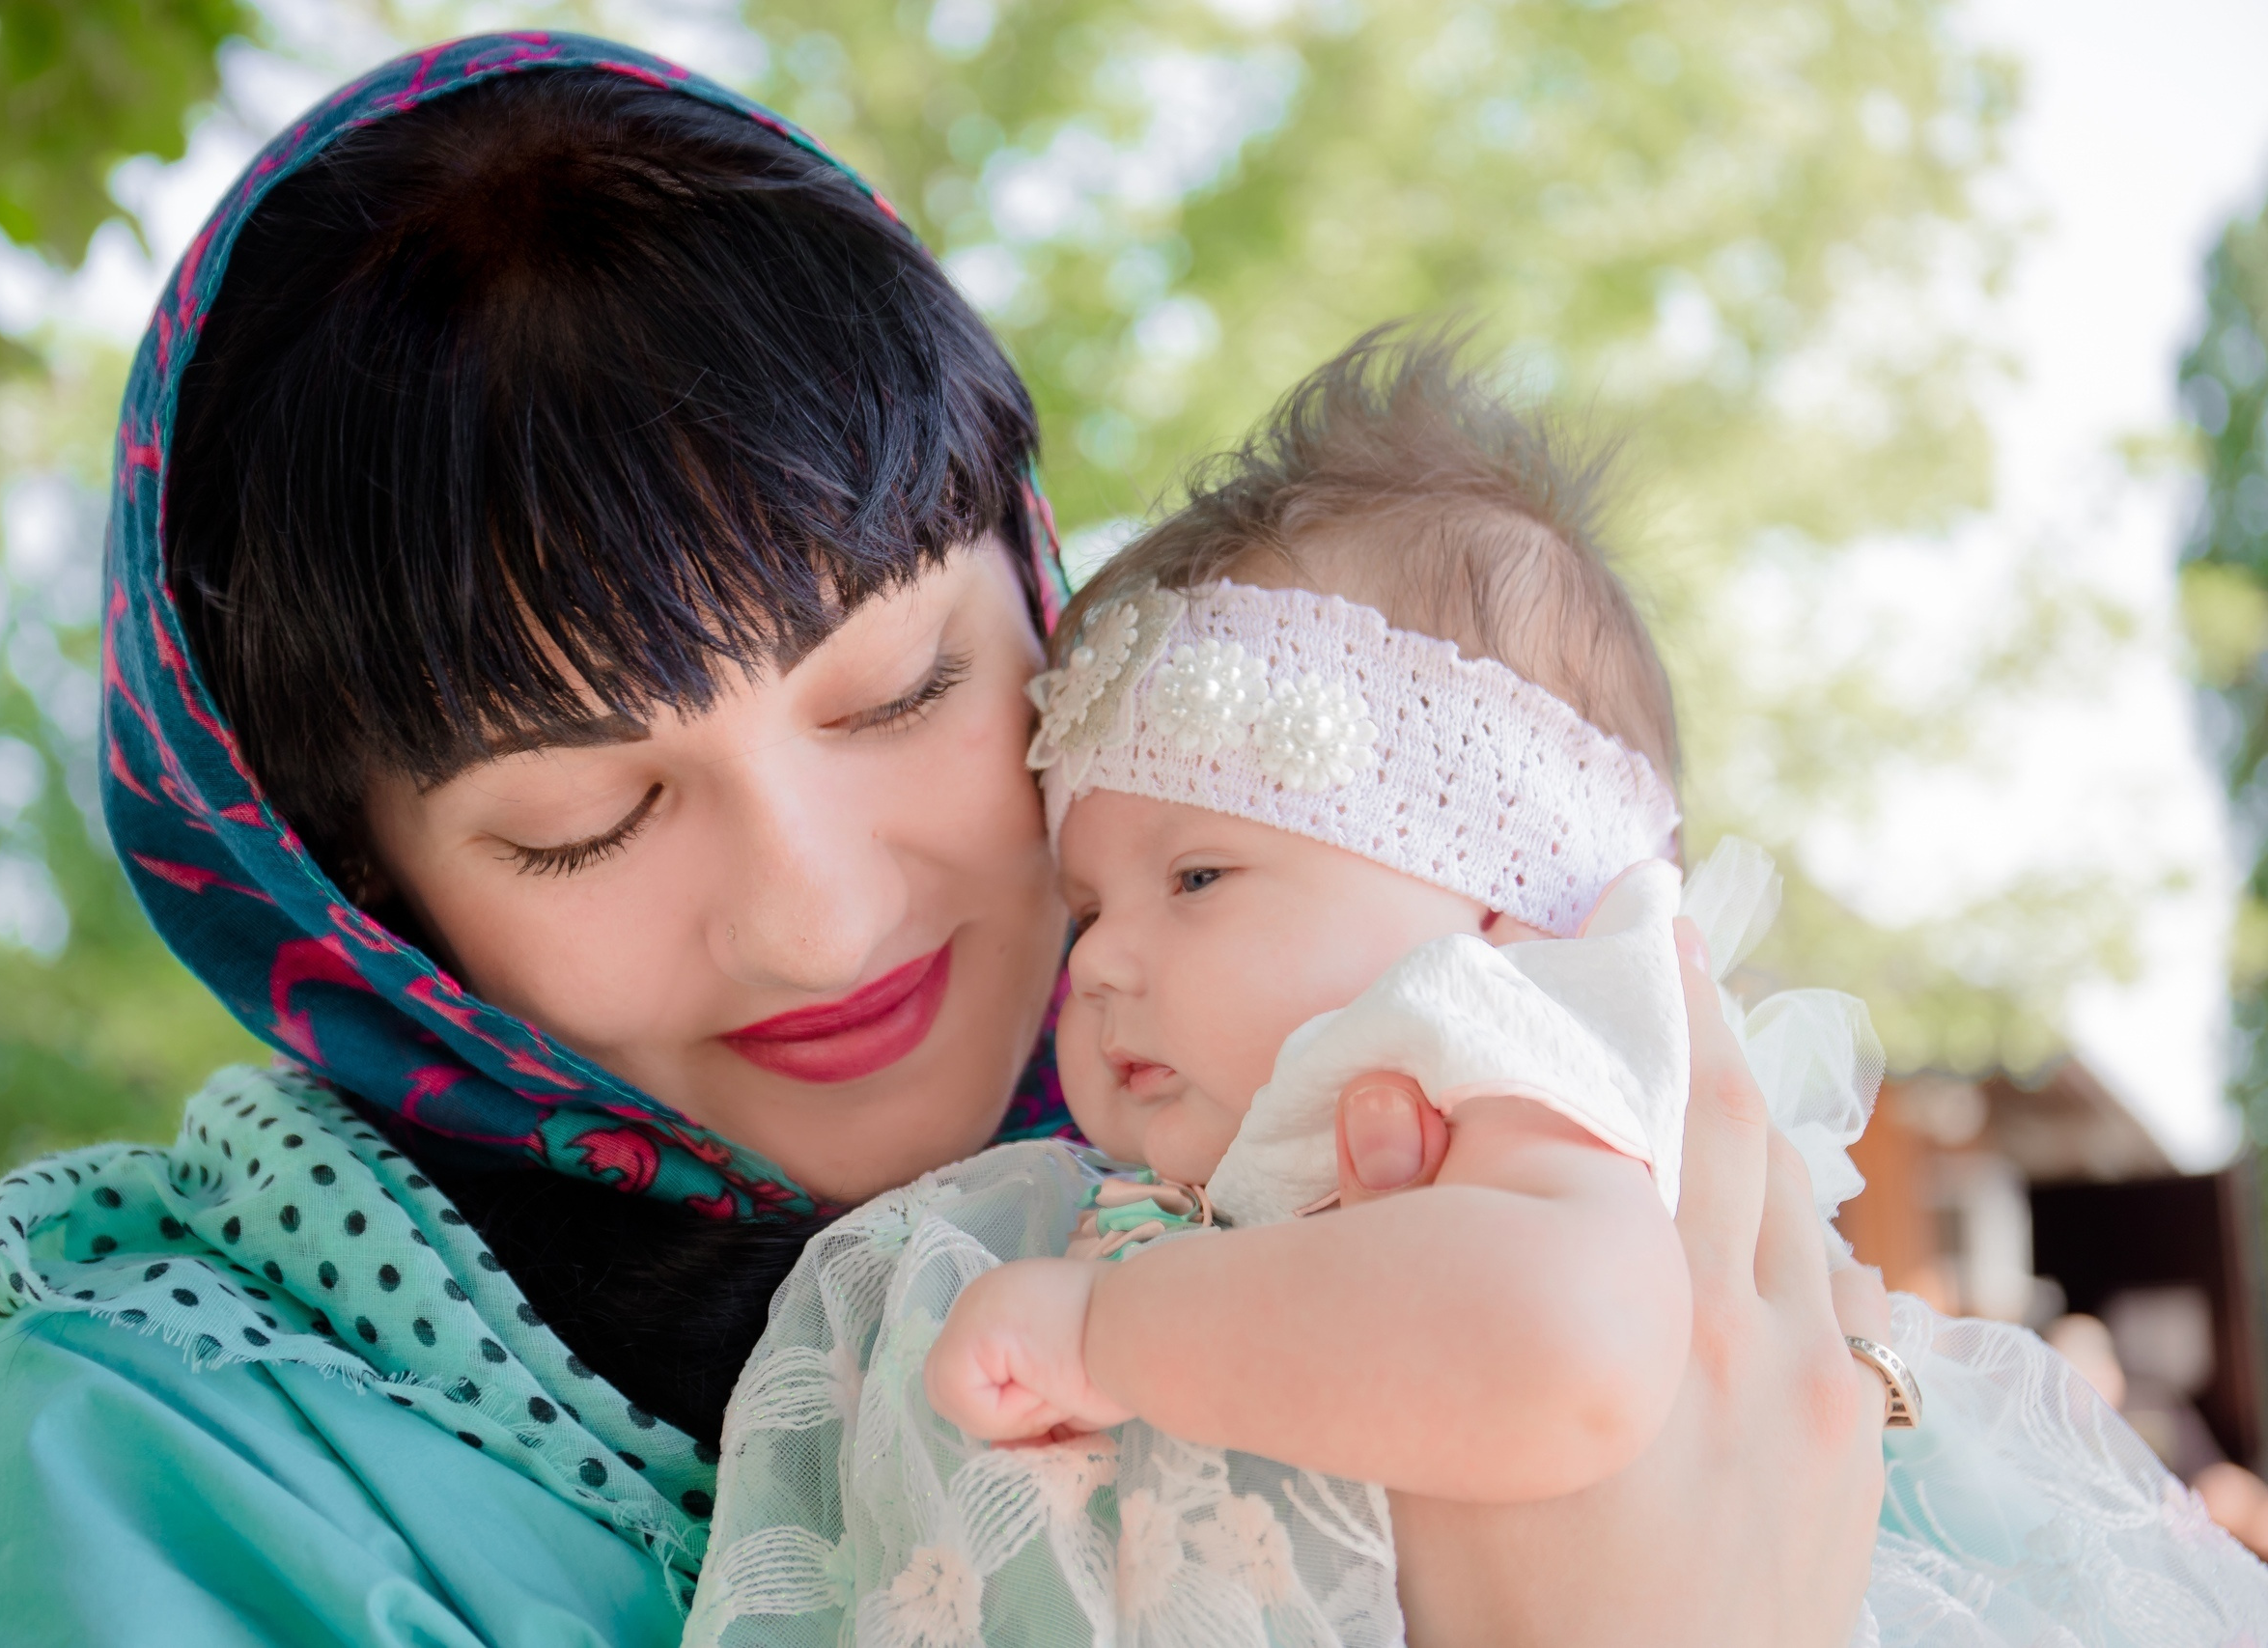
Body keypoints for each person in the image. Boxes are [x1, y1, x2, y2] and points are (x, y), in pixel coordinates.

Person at [0, 35, 1890, 1647]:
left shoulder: (1460, 1139)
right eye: (584, 818)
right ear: (356, 897)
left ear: (1039, 595)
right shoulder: (141, 1482)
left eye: (905, 689)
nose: (820, 911)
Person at [682, 333, 2268, 1648]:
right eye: (1085, 899)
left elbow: (1565, 1347)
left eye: (1200, 878)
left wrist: (1112, 1330)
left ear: (1497, 903)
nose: (1098, 959)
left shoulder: (1500, 1065)